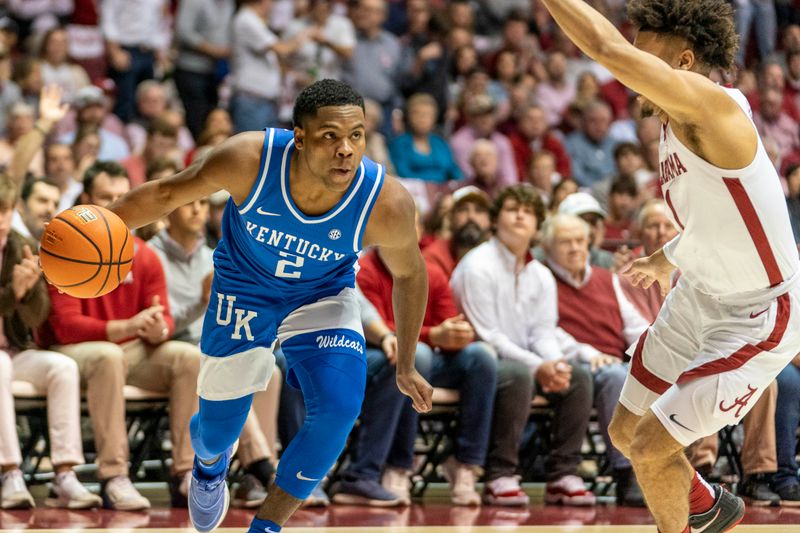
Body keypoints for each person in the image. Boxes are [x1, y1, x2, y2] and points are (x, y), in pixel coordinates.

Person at [106, 79, 432, 533]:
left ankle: (265, 528)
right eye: (330, 137)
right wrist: (94, 223)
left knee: (339, 408)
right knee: (219, 430)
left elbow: (411, 274)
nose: (345, 150)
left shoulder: (385, 202)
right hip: (244, 287)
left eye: (355, 136)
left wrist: (407, 364)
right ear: (299, 138)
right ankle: (209, 463)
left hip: (322, 293)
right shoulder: (249, 160)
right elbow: (165, 195)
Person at [540, 1, 800, 532]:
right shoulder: (672, 122)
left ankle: (686, 523)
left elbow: (606, 49)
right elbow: (722, 214)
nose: (634, 63)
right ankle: (704, 502)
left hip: (758, 313)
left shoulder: (710, 106)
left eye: (647, 55)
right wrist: (668, 255)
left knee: (652, 446)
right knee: (624, 432)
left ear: (683, 62)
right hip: (699, 295)